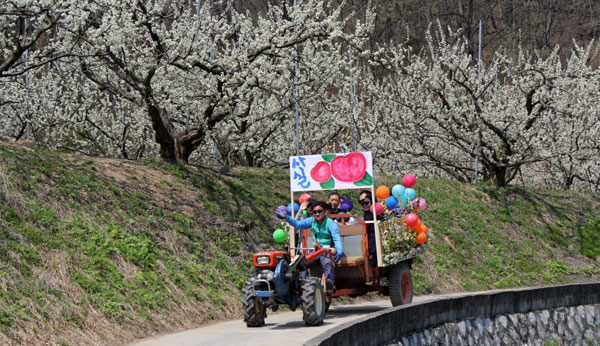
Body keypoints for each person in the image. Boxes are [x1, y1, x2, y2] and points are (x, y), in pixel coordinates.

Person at [277, 201, 343, 291]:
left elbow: (337, 239)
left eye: (319, 211)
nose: (317, 214)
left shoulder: (331, 224)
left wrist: (339, 252)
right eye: (315, 212)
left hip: (326, 251)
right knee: (302, 262)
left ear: (325, 212)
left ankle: (330, 284)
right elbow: (298, 224)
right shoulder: (311, 221)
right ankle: (301, 284)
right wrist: (286, 217)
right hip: (315, 251)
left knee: (327, 263)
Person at [359, 190, 381, 257]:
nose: (364, 205)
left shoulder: (372, 214)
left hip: (374, 249)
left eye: (366, 202)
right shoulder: (368, 213)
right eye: (361, 202)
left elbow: (365, 228)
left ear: (372, 201)